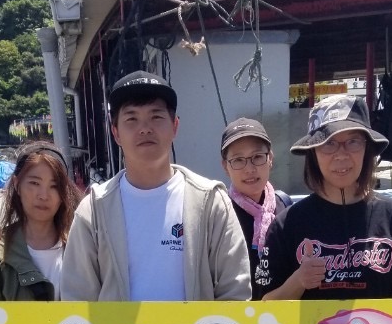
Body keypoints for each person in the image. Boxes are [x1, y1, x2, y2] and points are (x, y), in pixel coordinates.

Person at [61, 71, 250, 301]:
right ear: (116, 133)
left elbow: (235, 291)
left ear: (175, 126)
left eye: (156, 117)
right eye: (131, 119)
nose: (145, 128)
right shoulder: (94, 209)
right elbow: (77, 298)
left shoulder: (210, 201)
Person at [256, 94, 392, 301]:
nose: (341, 155)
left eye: (353, 142)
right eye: (328, 144)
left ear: (367, 148)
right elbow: (263, 307)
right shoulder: (286, 225)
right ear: (313, 152)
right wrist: (298, 281)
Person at [0, 141, 81, 301]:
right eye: (34, 183)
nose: (43, 195)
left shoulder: (84, 247)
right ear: (17, 184)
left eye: (54, 186)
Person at [220, 117, 291, 294]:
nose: (249, 169)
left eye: (257, 157)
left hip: (282, 316)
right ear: (225, 166)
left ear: (271, 159)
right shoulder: (219, 213)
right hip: (236, 317)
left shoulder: (285, 207)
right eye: (238, 160)